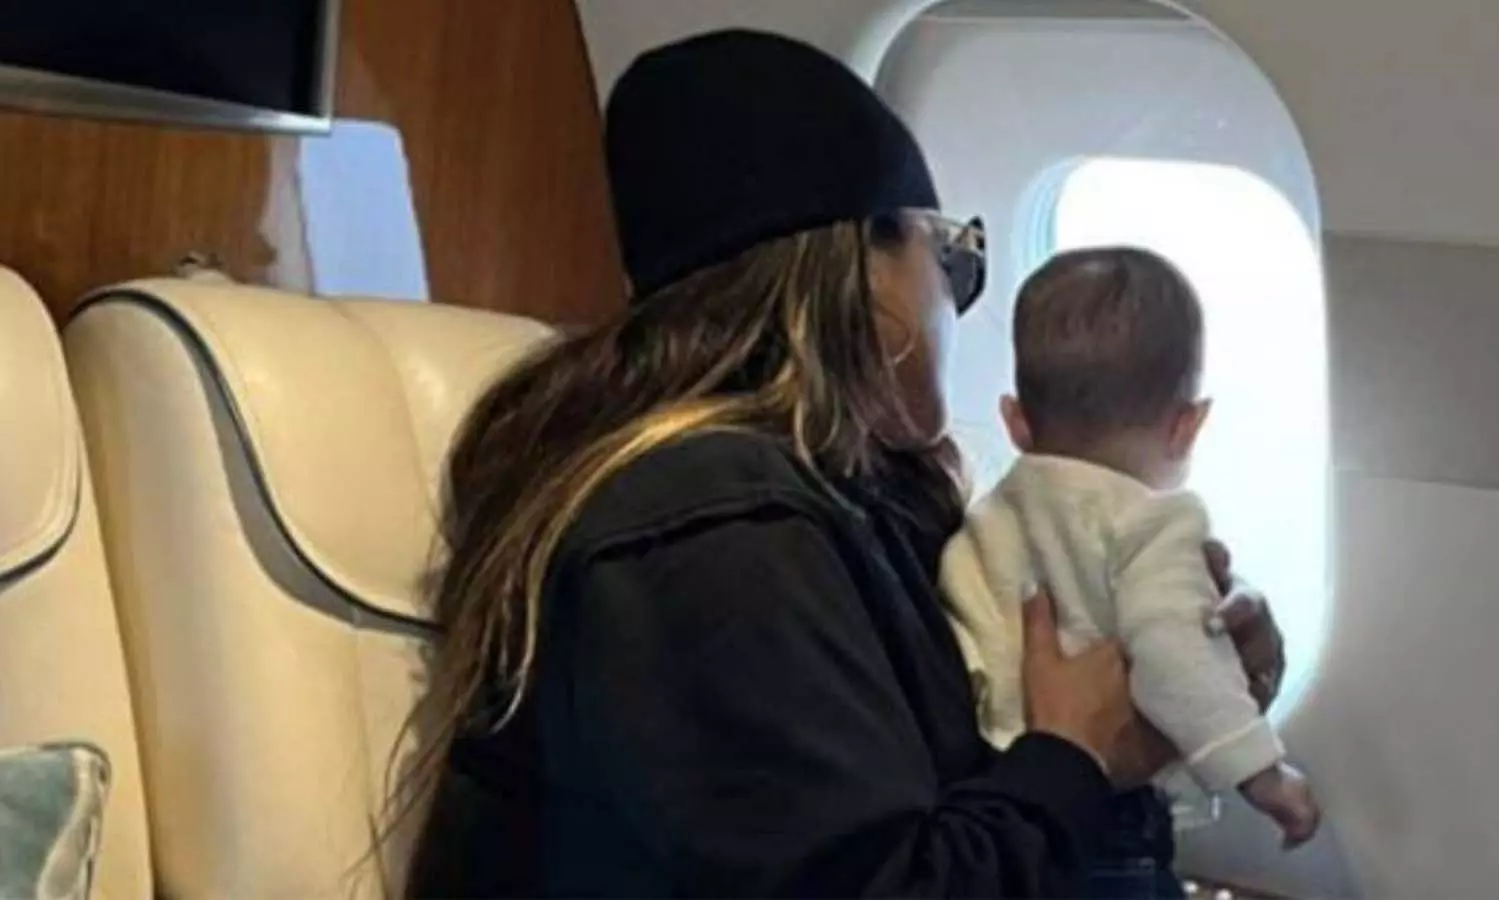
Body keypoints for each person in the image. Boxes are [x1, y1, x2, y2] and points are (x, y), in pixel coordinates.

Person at [399, 30, 1289, 898]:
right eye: (952, 261)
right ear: (864, 268)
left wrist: (1183, 680)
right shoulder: (711, 535)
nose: (954, 306)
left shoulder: (857, 502)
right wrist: (1071, 761)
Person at [942, 248, 1321, 891]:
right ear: (1188, 426)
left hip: (1002, 798)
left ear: (1015, 421)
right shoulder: (1154, 523)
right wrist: (1264, 775)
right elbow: (1175, 653)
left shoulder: (985, 516)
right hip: (1105, 825)